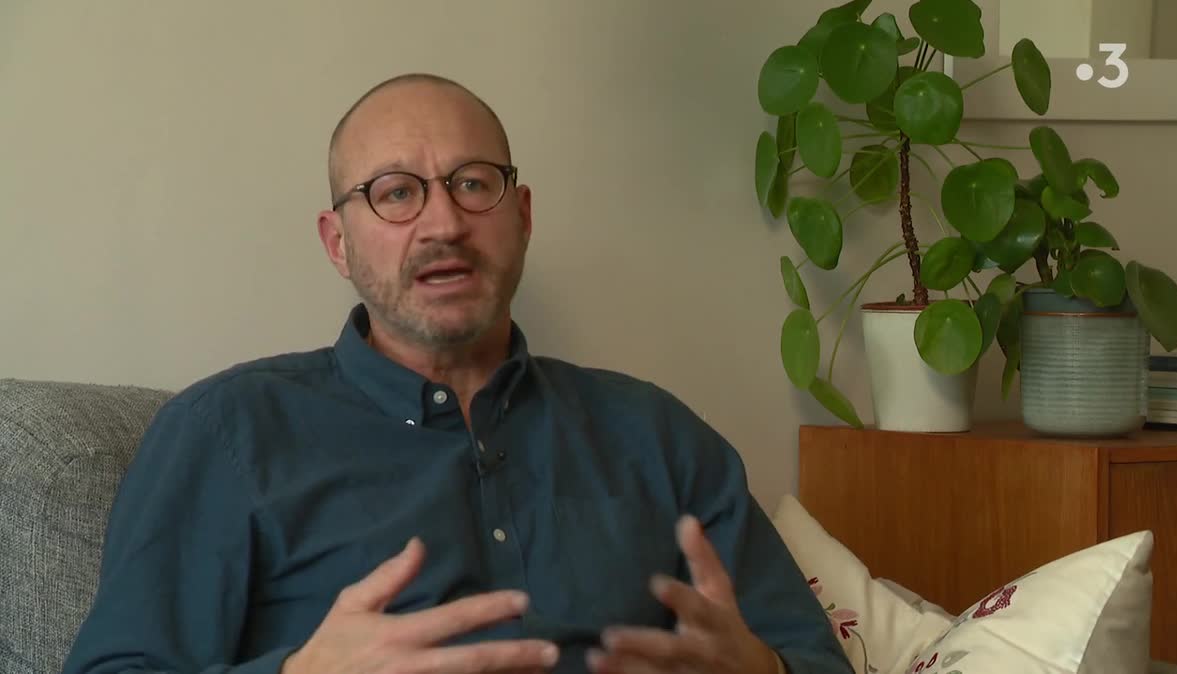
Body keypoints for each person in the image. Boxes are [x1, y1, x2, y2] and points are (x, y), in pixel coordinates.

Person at [63, 74, 852, 674]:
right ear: (338, 244)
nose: (443, 223)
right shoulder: (226, 435)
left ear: (523, 216)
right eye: (395, 193)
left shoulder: (657, 435)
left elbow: (811, 660)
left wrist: (764, 670)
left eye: (474, 184)